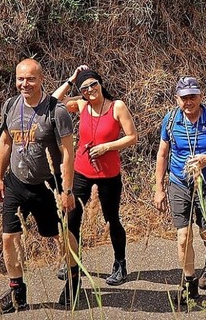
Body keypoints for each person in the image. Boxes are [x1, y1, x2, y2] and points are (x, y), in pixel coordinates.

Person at [0, 59, 79, 314]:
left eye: (30, 79)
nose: (24, 84)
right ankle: (17, 291)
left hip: (47, 187)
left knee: (58, 235)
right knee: (9, 237)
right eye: (20, 78)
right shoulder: (10, 105)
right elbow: (6, 142)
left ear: (41, 79)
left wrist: (67, 190)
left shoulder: (56, 111)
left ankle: (74, 278)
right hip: (16, 184)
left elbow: (67, 153)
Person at [52, 66, 138, 286]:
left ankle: (120, 264)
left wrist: (107, 147)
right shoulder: (81, 104)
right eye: (85, 88)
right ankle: (73, 263)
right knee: (71, 219)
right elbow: (53, 102)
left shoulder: (116, 106)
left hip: (109, 174)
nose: (90, 90)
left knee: (112, 219)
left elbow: (132, 137)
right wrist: (71, 80)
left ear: (100, 84)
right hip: (81, 171)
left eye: (93, 84)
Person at [154, 76, 206, 304]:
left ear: (201, 96)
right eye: (184, 98)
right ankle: (189, 284)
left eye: (193, 97)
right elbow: (162, 154)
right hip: (180, 183)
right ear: (176, 99)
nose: (188, 102)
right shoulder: (171, 120)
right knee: (183, 237)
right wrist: (159, 188)